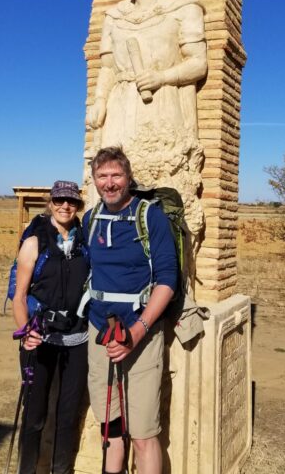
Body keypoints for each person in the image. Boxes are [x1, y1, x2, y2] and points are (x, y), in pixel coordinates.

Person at [86, 0, 207, 246]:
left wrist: (161, 76)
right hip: (121, 108)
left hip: (162, 107)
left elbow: (198, 64)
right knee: (112, 182)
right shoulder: (114, 17)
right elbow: (108, 68)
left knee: (163, 187)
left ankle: (168, 266)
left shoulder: (183, 6)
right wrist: (100, 101)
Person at [82, 147, 177, 474]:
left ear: (128, 177)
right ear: (95, 180)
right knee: (110, 429)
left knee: (143, 434)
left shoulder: (150, 216)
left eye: (116, 175)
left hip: (141, 334)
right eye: (102, 176)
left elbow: (167, 279)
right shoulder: (90, 219)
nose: (109, 183)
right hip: (100, 333)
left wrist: (137, 332)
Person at [12, 180, 89, 474]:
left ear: (78, 206)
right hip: (40, 339)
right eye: (59, 201)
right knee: (34, 415)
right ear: (50, 203)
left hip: (77, 339)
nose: (65, 206)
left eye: (71, 202)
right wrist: (25, 331)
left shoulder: (84, 242)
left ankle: (60, 470)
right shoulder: (34, 243)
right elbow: (19, 296)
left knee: (67, 415)